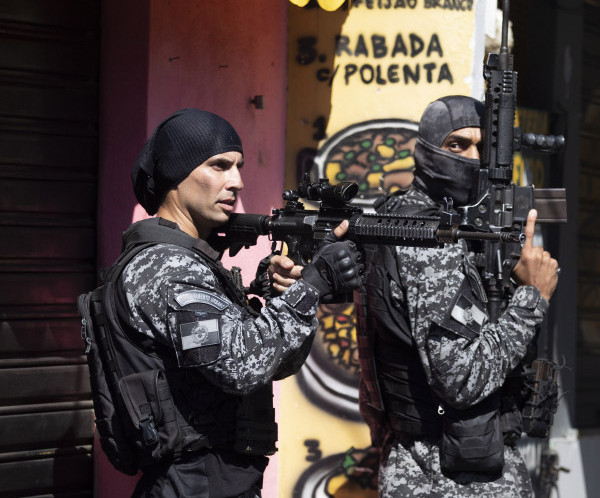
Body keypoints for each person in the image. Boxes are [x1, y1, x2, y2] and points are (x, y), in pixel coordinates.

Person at [109, 108, 362, 497]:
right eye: (219, 166)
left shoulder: (192, 262)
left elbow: (273, 365)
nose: (237, 181)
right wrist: (313, 283)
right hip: (190, 482)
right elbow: (242, 367)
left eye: (239, 167)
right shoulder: (166, 266)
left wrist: (283, 293)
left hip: (218, 480)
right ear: (177, 175)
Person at [355, 95, 560, 497]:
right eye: (457, 145)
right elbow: (461, 380)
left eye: (482, 148)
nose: (471, 158)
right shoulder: (430, 237)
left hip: (440, 466)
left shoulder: (403, 218)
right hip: (447, 474)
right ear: (427, 149)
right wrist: (532, 298)